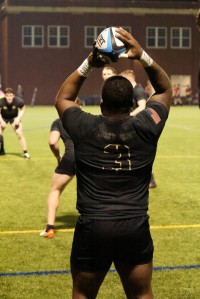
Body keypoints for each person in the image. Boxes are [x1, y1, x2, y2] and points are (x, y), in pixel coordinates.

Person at [55, 27, 172, 298]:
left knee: (83, 294)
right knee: (141, 294)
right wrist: (142, 55)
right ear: (133, 104)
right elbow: (164, 89)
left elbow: (64, 98)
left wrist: (89, 63)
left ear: (101, 103)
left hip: (94, 226)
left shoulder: (85, 126)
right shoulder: (147, 125)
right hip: (134, 225)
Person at [40, 99, 81, 238]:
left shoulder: (59, 122)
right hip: (90, 158)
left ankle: (50, 228)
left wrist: (58, 157)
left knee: (55, 190)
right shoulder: (87, 119)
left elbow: (52, 142)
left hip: (70, 158)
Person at [120, 69, 157, 188]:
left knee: (140, 153)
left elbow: (142, 106)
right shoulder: (132, 90)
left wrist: (129, 116)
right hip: (133, 125)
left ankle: (150, 179)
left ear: (129, 79)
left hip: (139, 125)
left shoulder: (138, 90)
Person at [0, 87, 30, 158]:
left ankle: (25, 153)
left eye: (10, 96)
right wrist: (1, 122)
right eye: (7, 96)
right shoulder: (1, 102)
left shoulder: (18, 101)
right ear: (5, 96)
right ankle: (1, 149)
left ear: (13, 96)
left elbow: (23, 109)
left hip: (14, 118)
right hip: (3, 118)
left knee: (19, 133)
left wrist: (18, 119)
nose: (9, 98)